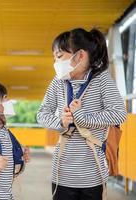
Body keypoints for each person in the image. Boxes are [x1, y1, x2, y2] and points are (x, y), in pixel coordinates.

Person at [37, 28, 127, 200]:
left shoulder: (101, 79)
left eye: (59, 56)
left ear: (80, 56)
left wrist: (83, 118)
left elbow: (119, 113)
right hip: (61, 173)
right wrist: (60, 123)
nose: (55, 62)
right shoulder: (58, 82)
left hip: (94, 173)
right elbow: (42, 114)